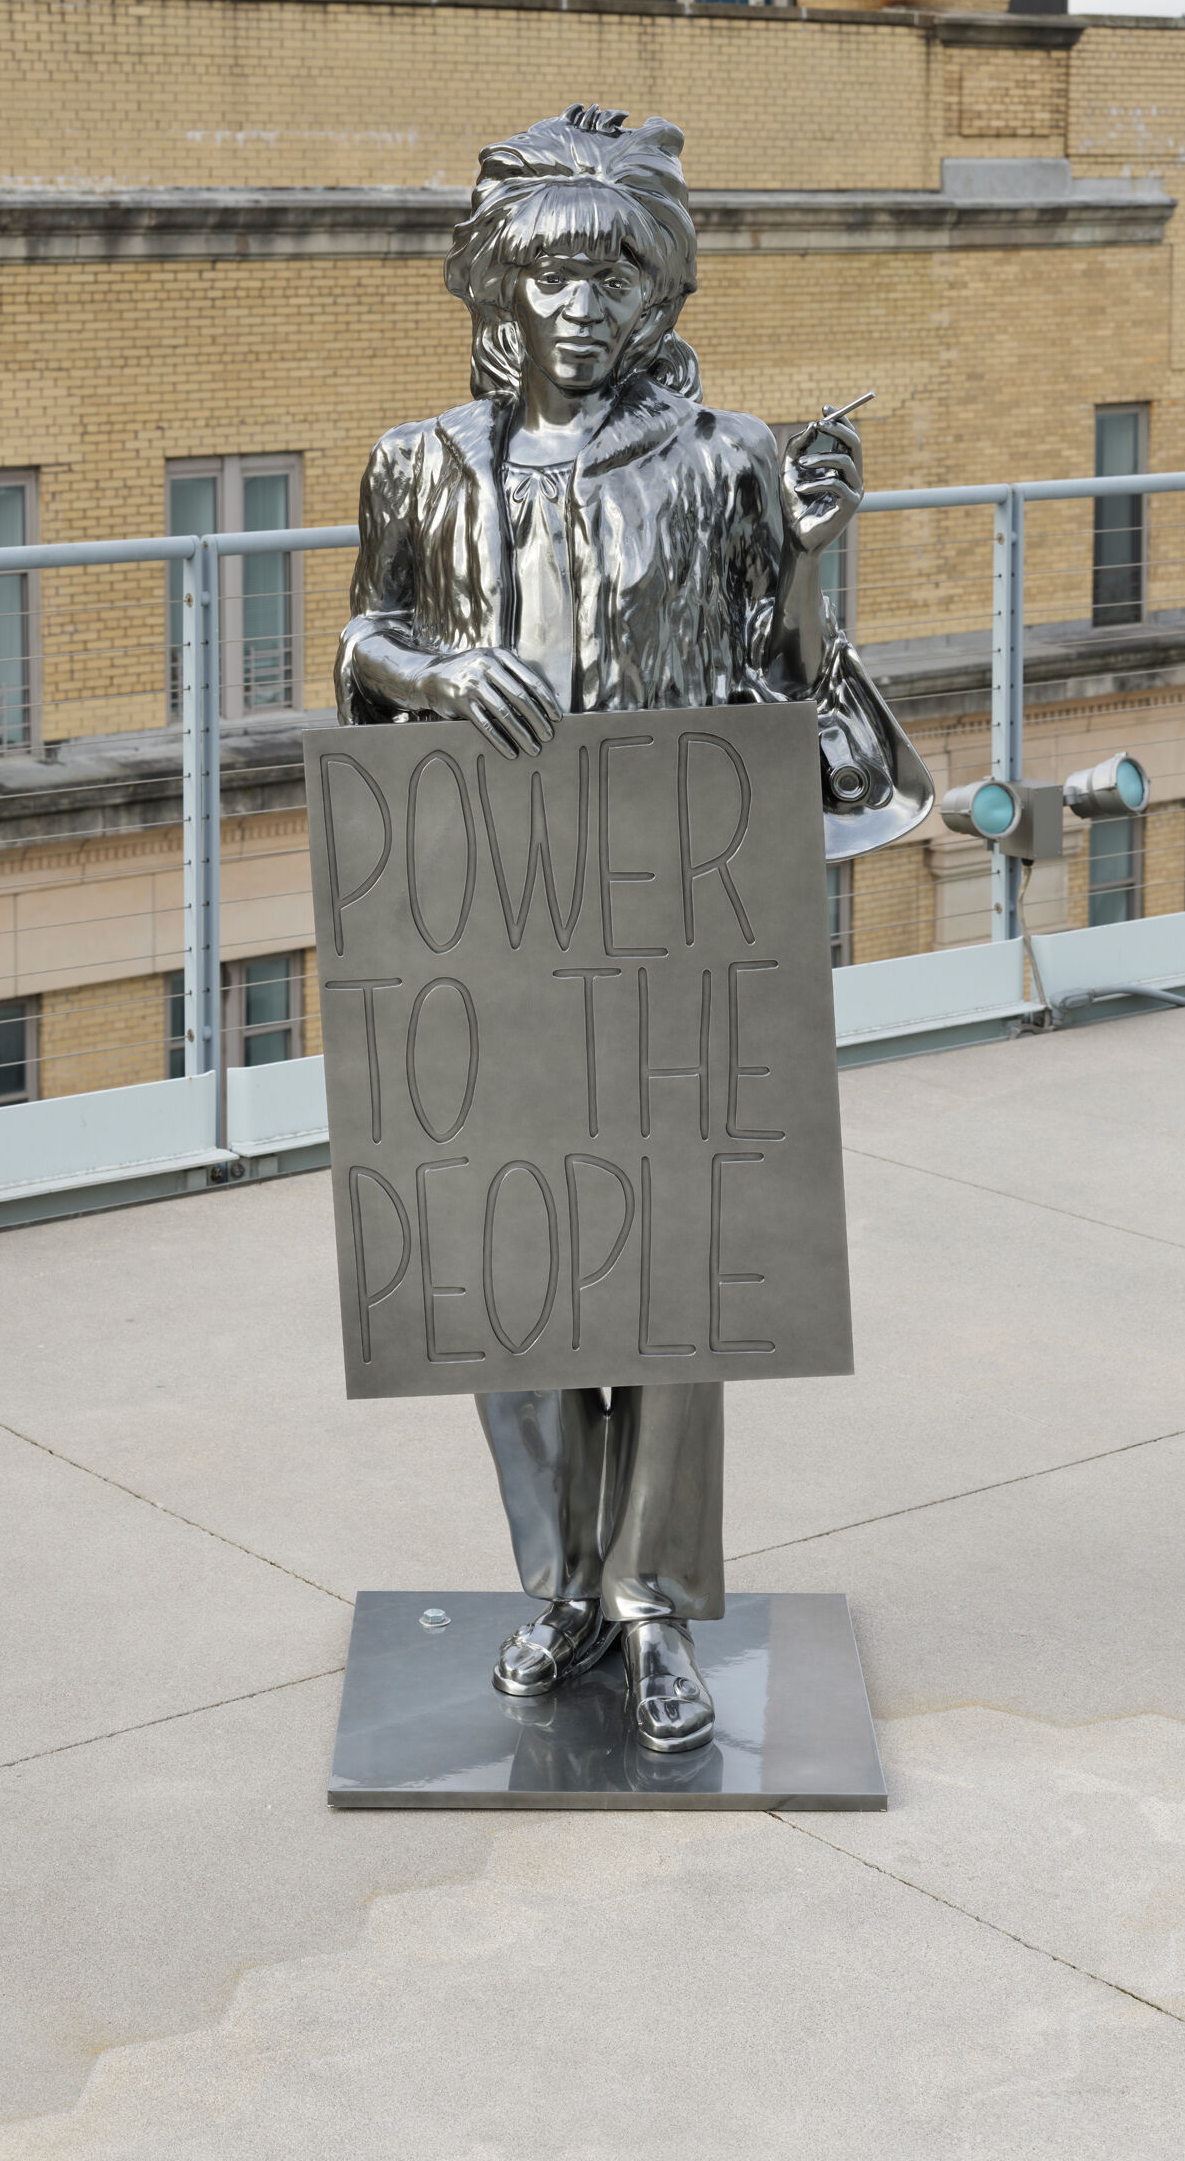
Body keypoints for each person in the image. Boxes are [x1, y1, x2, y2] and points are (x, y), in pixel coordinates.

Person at [338, 104, 929, 1752]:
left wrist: (814, 561)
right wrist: (444, 672)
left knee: (670, 1275)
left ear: (658, 296)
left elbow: (792, 692)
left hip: (675, 908)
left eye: (614, 277)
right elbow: (369, 633)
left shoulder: (734, 457)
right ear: (498, 296)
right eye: (549, 277)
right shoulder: (421, 463)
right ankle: (556, 1583)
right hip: (488, 908)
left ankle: (653, 1604)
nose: (582, 307)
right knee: (501, 1262)